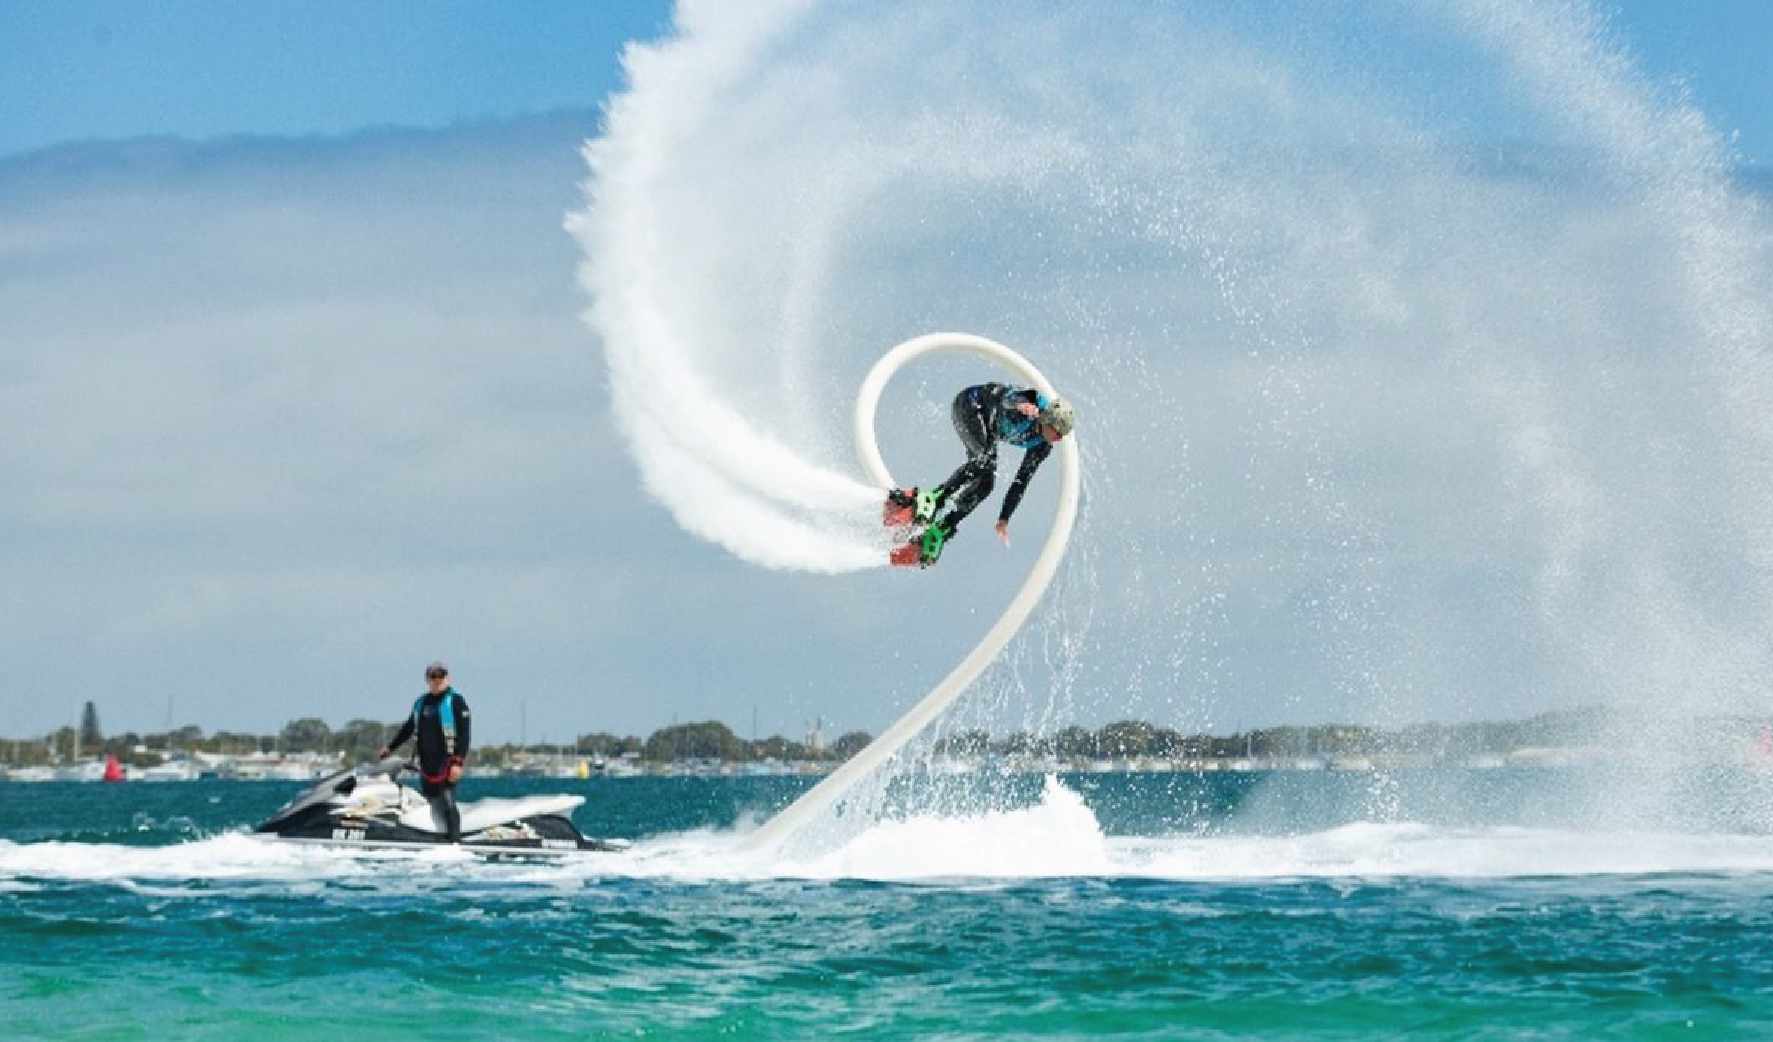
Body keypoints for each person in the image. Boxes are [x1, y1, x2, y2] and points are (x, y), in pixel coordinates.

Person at [887, 383, 1076, 568]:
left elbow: (1021, 481)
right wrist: (1020, 405)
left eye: (1063, 435)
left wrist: (1004, 518)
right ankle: (934, 497)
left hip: (988, 431)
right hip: (970, 406)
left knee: (986, 483)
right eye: (1058, 431)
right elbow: (1006, 397)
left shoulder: (1042, 446)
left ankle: (941, 528)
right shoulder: (1032, 400)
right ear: (1048, 420)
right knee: (985, 461)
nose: (1059, 438)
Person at [378, 661, 472, 842]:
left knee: (447, 802)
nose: (438, 680)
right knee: (429, 803)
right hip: (427, 765)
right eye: (433, 676)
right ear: (427, 680)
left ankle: (456, 843)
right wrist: (390, 748)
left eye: (441, 676)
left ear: (448, 678)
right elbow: (408, 728)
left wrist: (458, 763)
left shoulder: (456, 702)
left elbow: (465, 734)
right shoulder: (421, 703)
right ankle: (433, 839)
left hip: (447, 765)